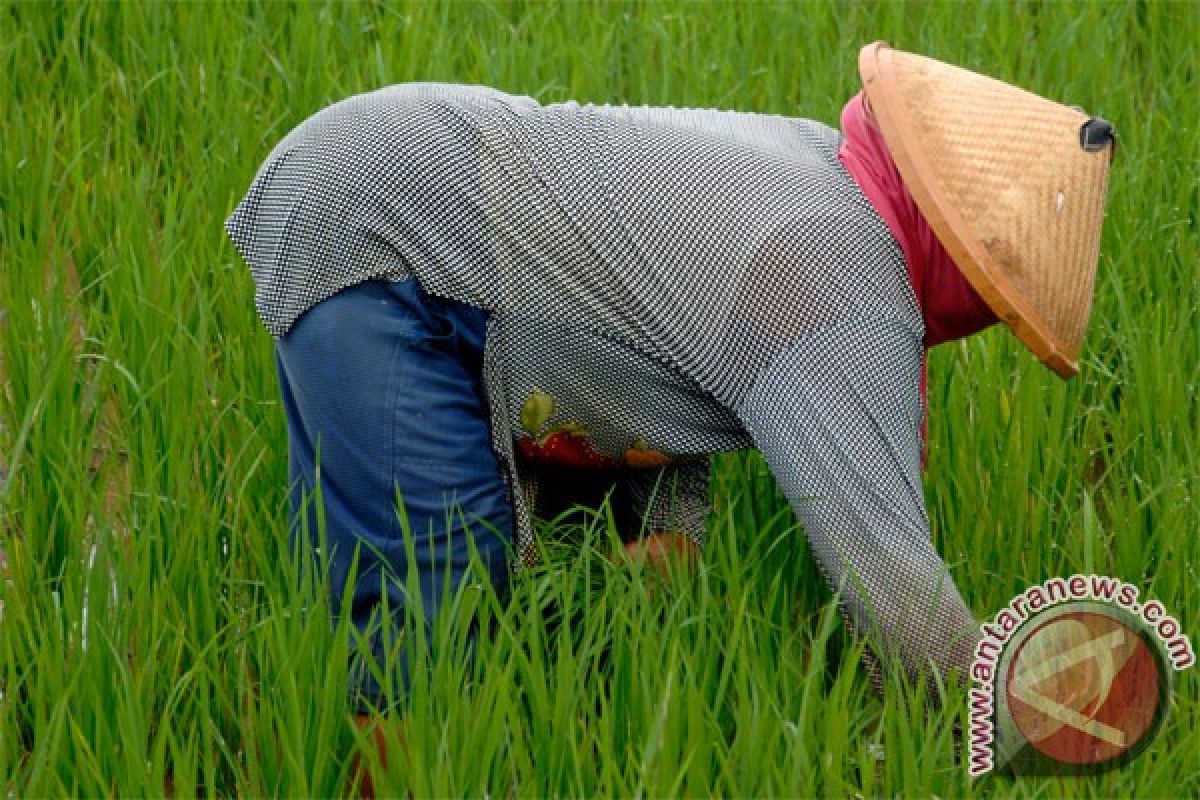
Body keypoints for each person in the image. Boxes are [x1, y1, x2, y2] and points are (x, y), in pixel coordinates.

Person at [225, 39, 1114, 748]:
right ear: (967, 265)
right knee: (432, 582)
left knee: (611, 570)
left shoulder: (815, 168)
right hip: (393, 242)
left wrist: (669, 552)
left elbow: (660, 334)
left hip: (386, 174)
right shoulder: (846, 279)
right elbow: (891, 586)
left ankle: (537, 715)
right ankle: (399, 763)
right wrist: (1013, 722)